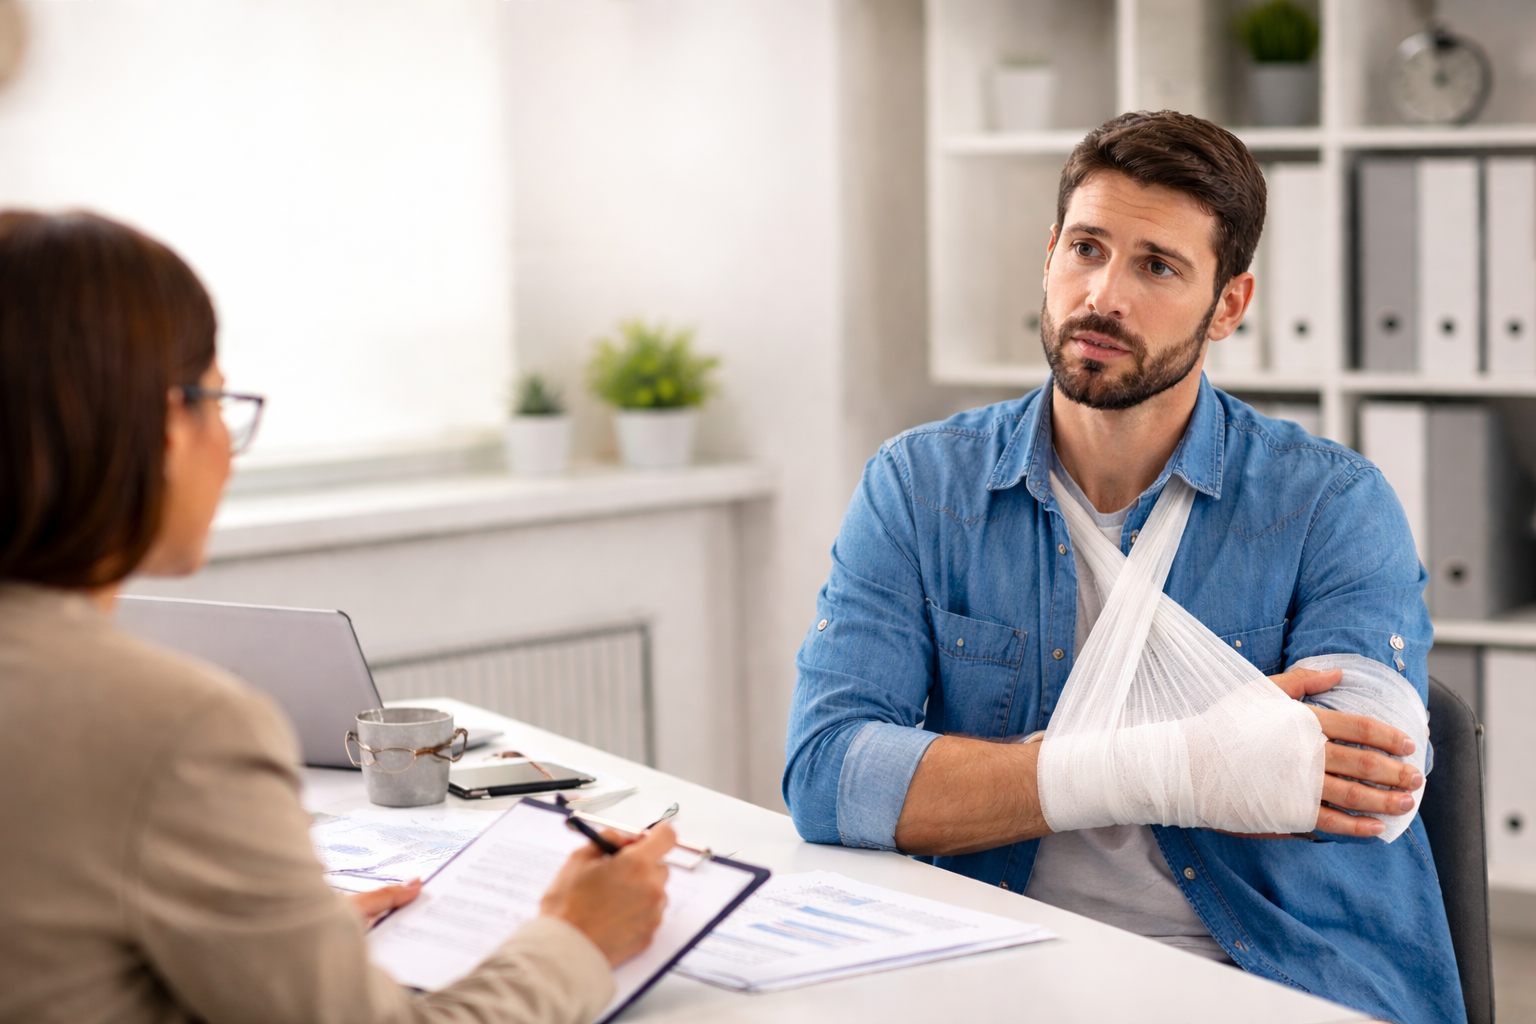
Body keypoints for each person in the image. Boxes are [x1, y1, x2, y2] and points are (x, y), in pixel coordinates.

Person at [784, 111, 1463, 1024]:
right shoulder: (920, 486)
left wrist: (974, 777)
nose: (1103, 295)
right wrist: (1181, 760)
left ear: (1229, 304)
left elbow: (1374, 787)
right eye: (1086, 248)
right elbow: (828, 774)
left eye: (1157, 266)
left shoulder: (1330, 505)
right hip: (1001, 953)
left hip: (1268, 971)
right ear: (1049, 257)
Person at [0, 210, 677, 1024]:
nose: (225, 443)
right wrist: (575, 938)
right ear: (149, 424)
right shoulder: (176, 728)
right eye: (216, 398)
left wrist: (276, 943)